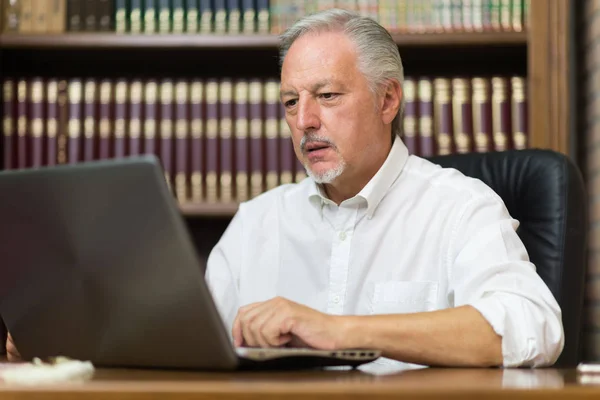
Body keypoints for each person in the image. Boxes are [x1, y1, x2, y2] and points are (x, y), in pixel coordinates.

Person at [6, 9, 563, 368]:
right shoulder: (257, 221)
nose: (305, 122)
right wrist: (69, 341)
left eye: (327, 96)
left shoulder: (459, 206)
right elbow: (185, 346)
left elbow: (533, 325)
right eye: (292, 102)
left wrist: (338, 330)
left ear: (388, 100)